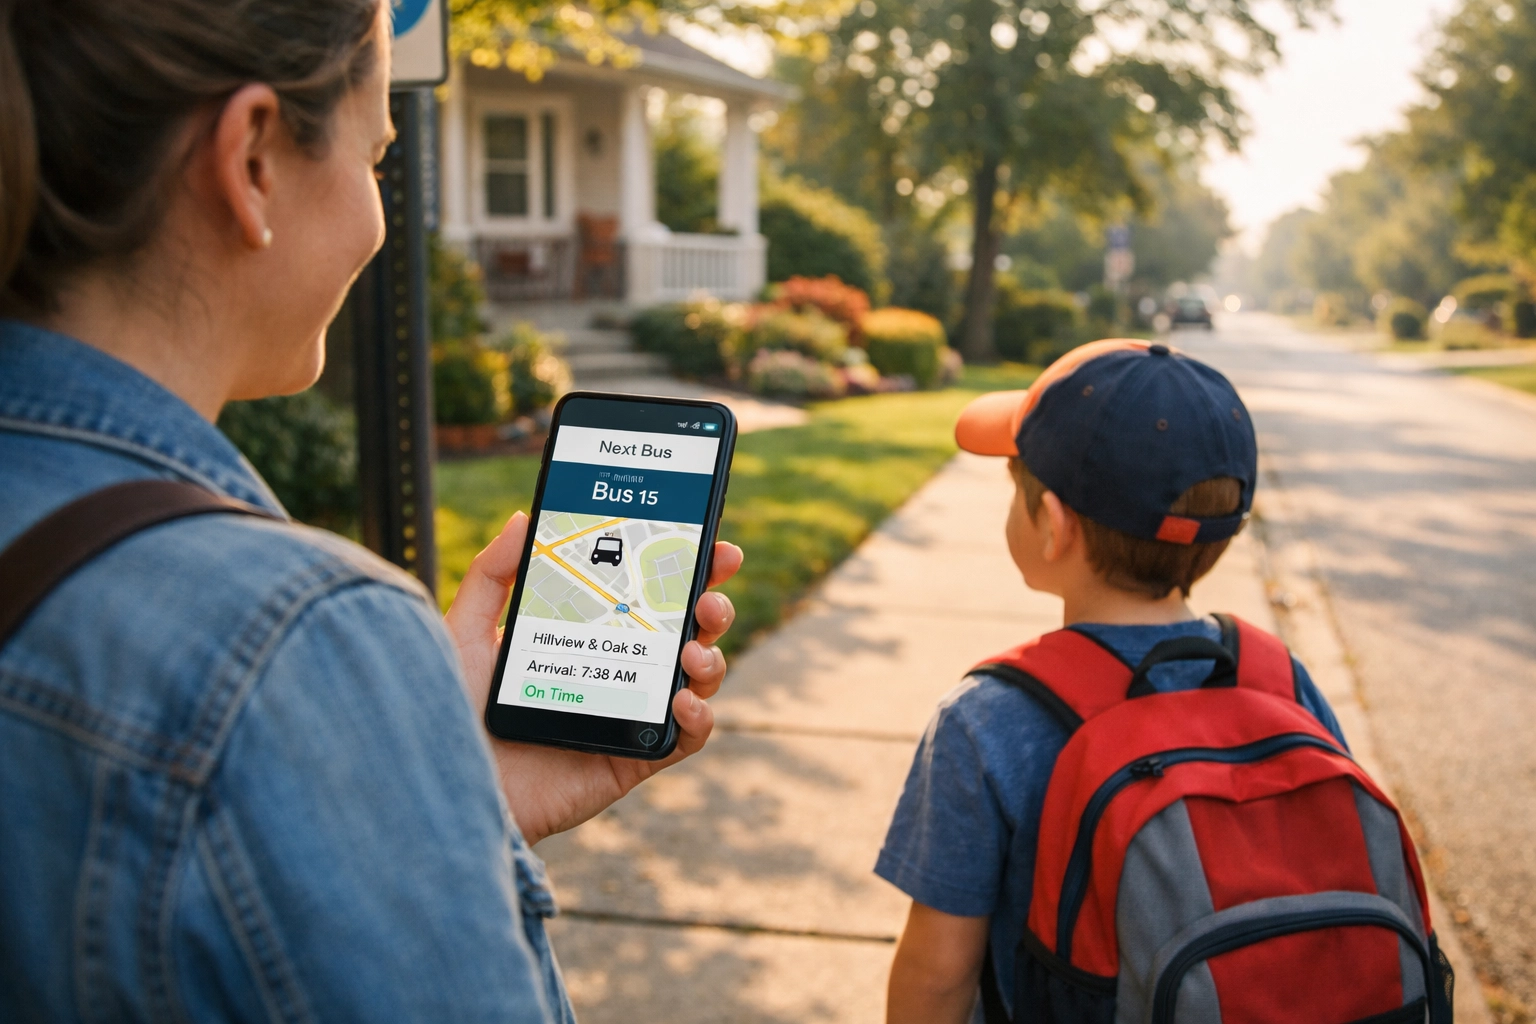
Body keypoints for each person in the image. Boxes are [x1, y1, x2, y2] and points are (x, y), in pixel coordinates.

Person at [0, 2, 741, 1019]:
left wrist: (438, 791)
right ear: (253, 159)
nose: (378, 215)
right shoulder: (290, 642)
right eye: (376, 156)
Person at [877, 340, 1352, 1023]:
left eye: (1016, 486)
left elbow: (938, 974)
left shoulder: (985, 721)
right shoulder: (1281, 681)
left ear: (1053, 527)